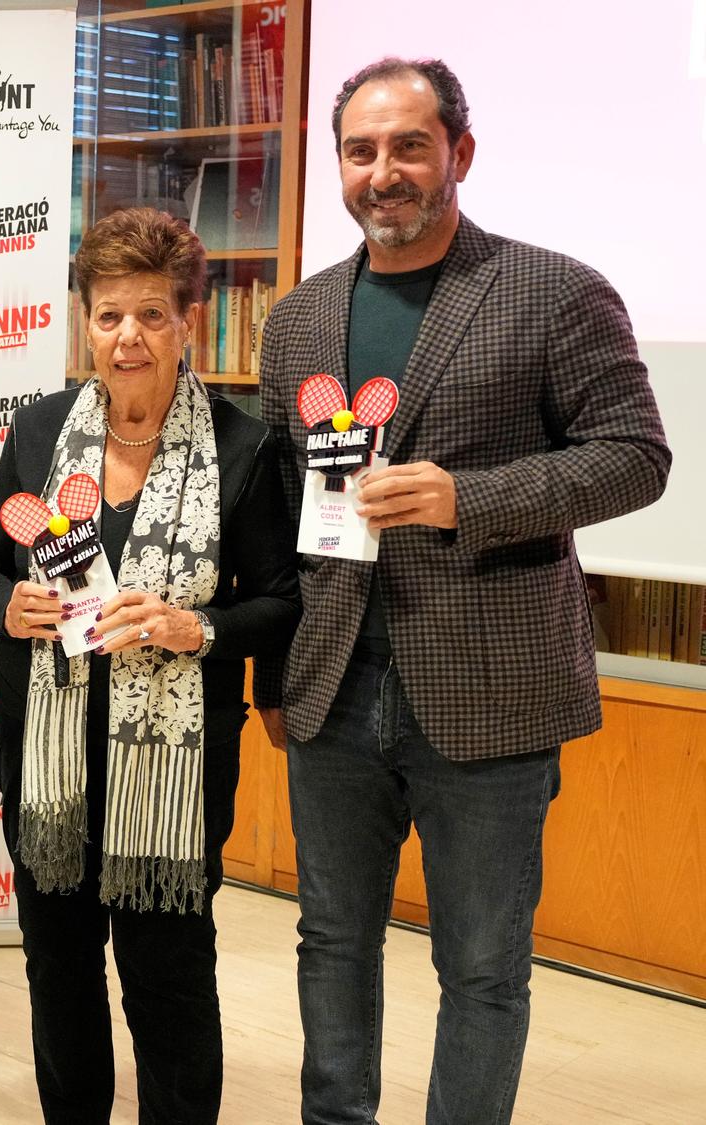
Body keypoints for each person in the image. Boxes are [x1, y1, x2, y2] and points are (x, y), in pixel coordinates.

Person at [256, 58, 670, 1125]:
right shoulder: (298, 317)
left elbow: (632, 456)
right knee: (330, 942)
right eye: (358, 150)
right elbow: (273, 511)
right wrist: (267, 671)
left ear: (458, 154)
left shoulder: (553, 290)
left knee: (481, 965)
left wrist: (463, 497)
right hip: (331, 688)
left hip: (491, 693)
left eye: (406, 146)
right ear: (336, 167)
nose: (381, 172)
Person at [0, 207, 298, 1123]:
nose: (128, 337)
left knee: (168, 976)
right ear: (85, 322)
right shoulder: (37, 432)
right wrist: (9, 606)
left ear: (188, 320)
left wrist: (197, 627)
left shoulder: (244, 446)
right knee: (58, 969)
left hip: (172, 775)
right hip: (50, 761)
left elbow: (282, 600)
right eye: (109, 315)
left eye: (151, 314)